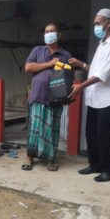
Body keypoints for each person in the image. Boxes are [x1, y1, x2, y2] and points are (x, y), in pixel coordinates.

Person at [69, 8, 110, 182]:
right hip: (94, 98)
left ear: (108, 23)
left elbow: (104, 74)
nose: (95, 26)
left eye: (97, 23)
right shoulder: (102, 44)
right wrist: (82, 64)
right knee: (91, 134)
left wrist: (80, 87)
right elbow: (96, 69)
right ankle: (95, 164)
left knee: (105, 136)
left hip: (108, 99)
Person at [22, 23, 72, 171]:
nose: (49, 34)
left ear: (59, 35)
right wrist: (49, 63)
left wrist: (66, 96)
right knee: (34, 129)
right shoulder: (37, 50)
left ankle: (51, 158)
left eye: (52, 31)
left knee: (52, 130)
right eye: (46, 31)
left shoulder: (65, 55)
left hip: (56, 98)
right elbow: (28, 67)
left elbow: (68, 76)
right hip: (38, 95)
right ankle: (29, 157)